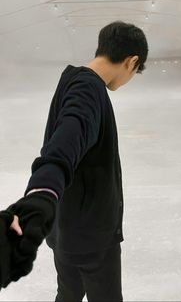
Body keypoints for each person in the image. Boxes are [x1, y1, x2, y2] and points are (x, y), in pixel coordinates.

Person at [0, 20, 148, 301]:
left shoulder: (71, 78)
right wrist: (42, 192)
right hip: (92, 238)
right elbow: (66, 141)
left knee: (68, 293)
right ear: (131, 62)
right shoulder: (88, 91)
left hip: (66, 232)